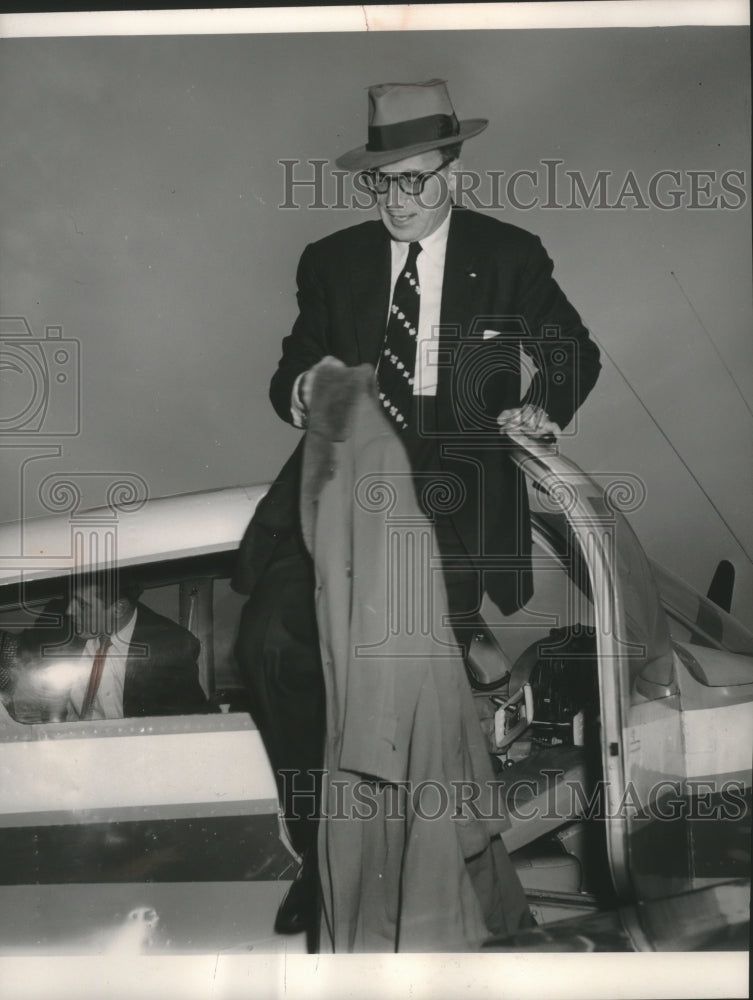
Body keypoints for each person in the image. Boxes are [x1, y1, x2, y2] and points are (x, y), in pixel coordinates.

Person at [235, 78, 601, 940]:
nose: (398, 200)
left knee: (392, 664)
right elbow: (292, 364)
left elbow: (569, 349)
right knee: (272, 645)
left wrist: (540, 402)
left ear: (451, 171)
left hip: (454, 492)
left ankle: (417, 876)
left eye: (415, 180)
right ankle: (319, 851)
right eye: (381, 182)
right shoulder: (331, 261)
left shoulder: (510, 254)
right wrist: (307, 389)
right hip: (338, 489)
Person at [8, 569, 210, 722]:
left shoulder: (170, 646)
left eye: (82, 605)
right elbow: (12, 651)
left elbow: (187, 724)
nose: (70, 611)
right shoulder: (59, 619)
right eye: (71, 600)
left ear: (118, 608)